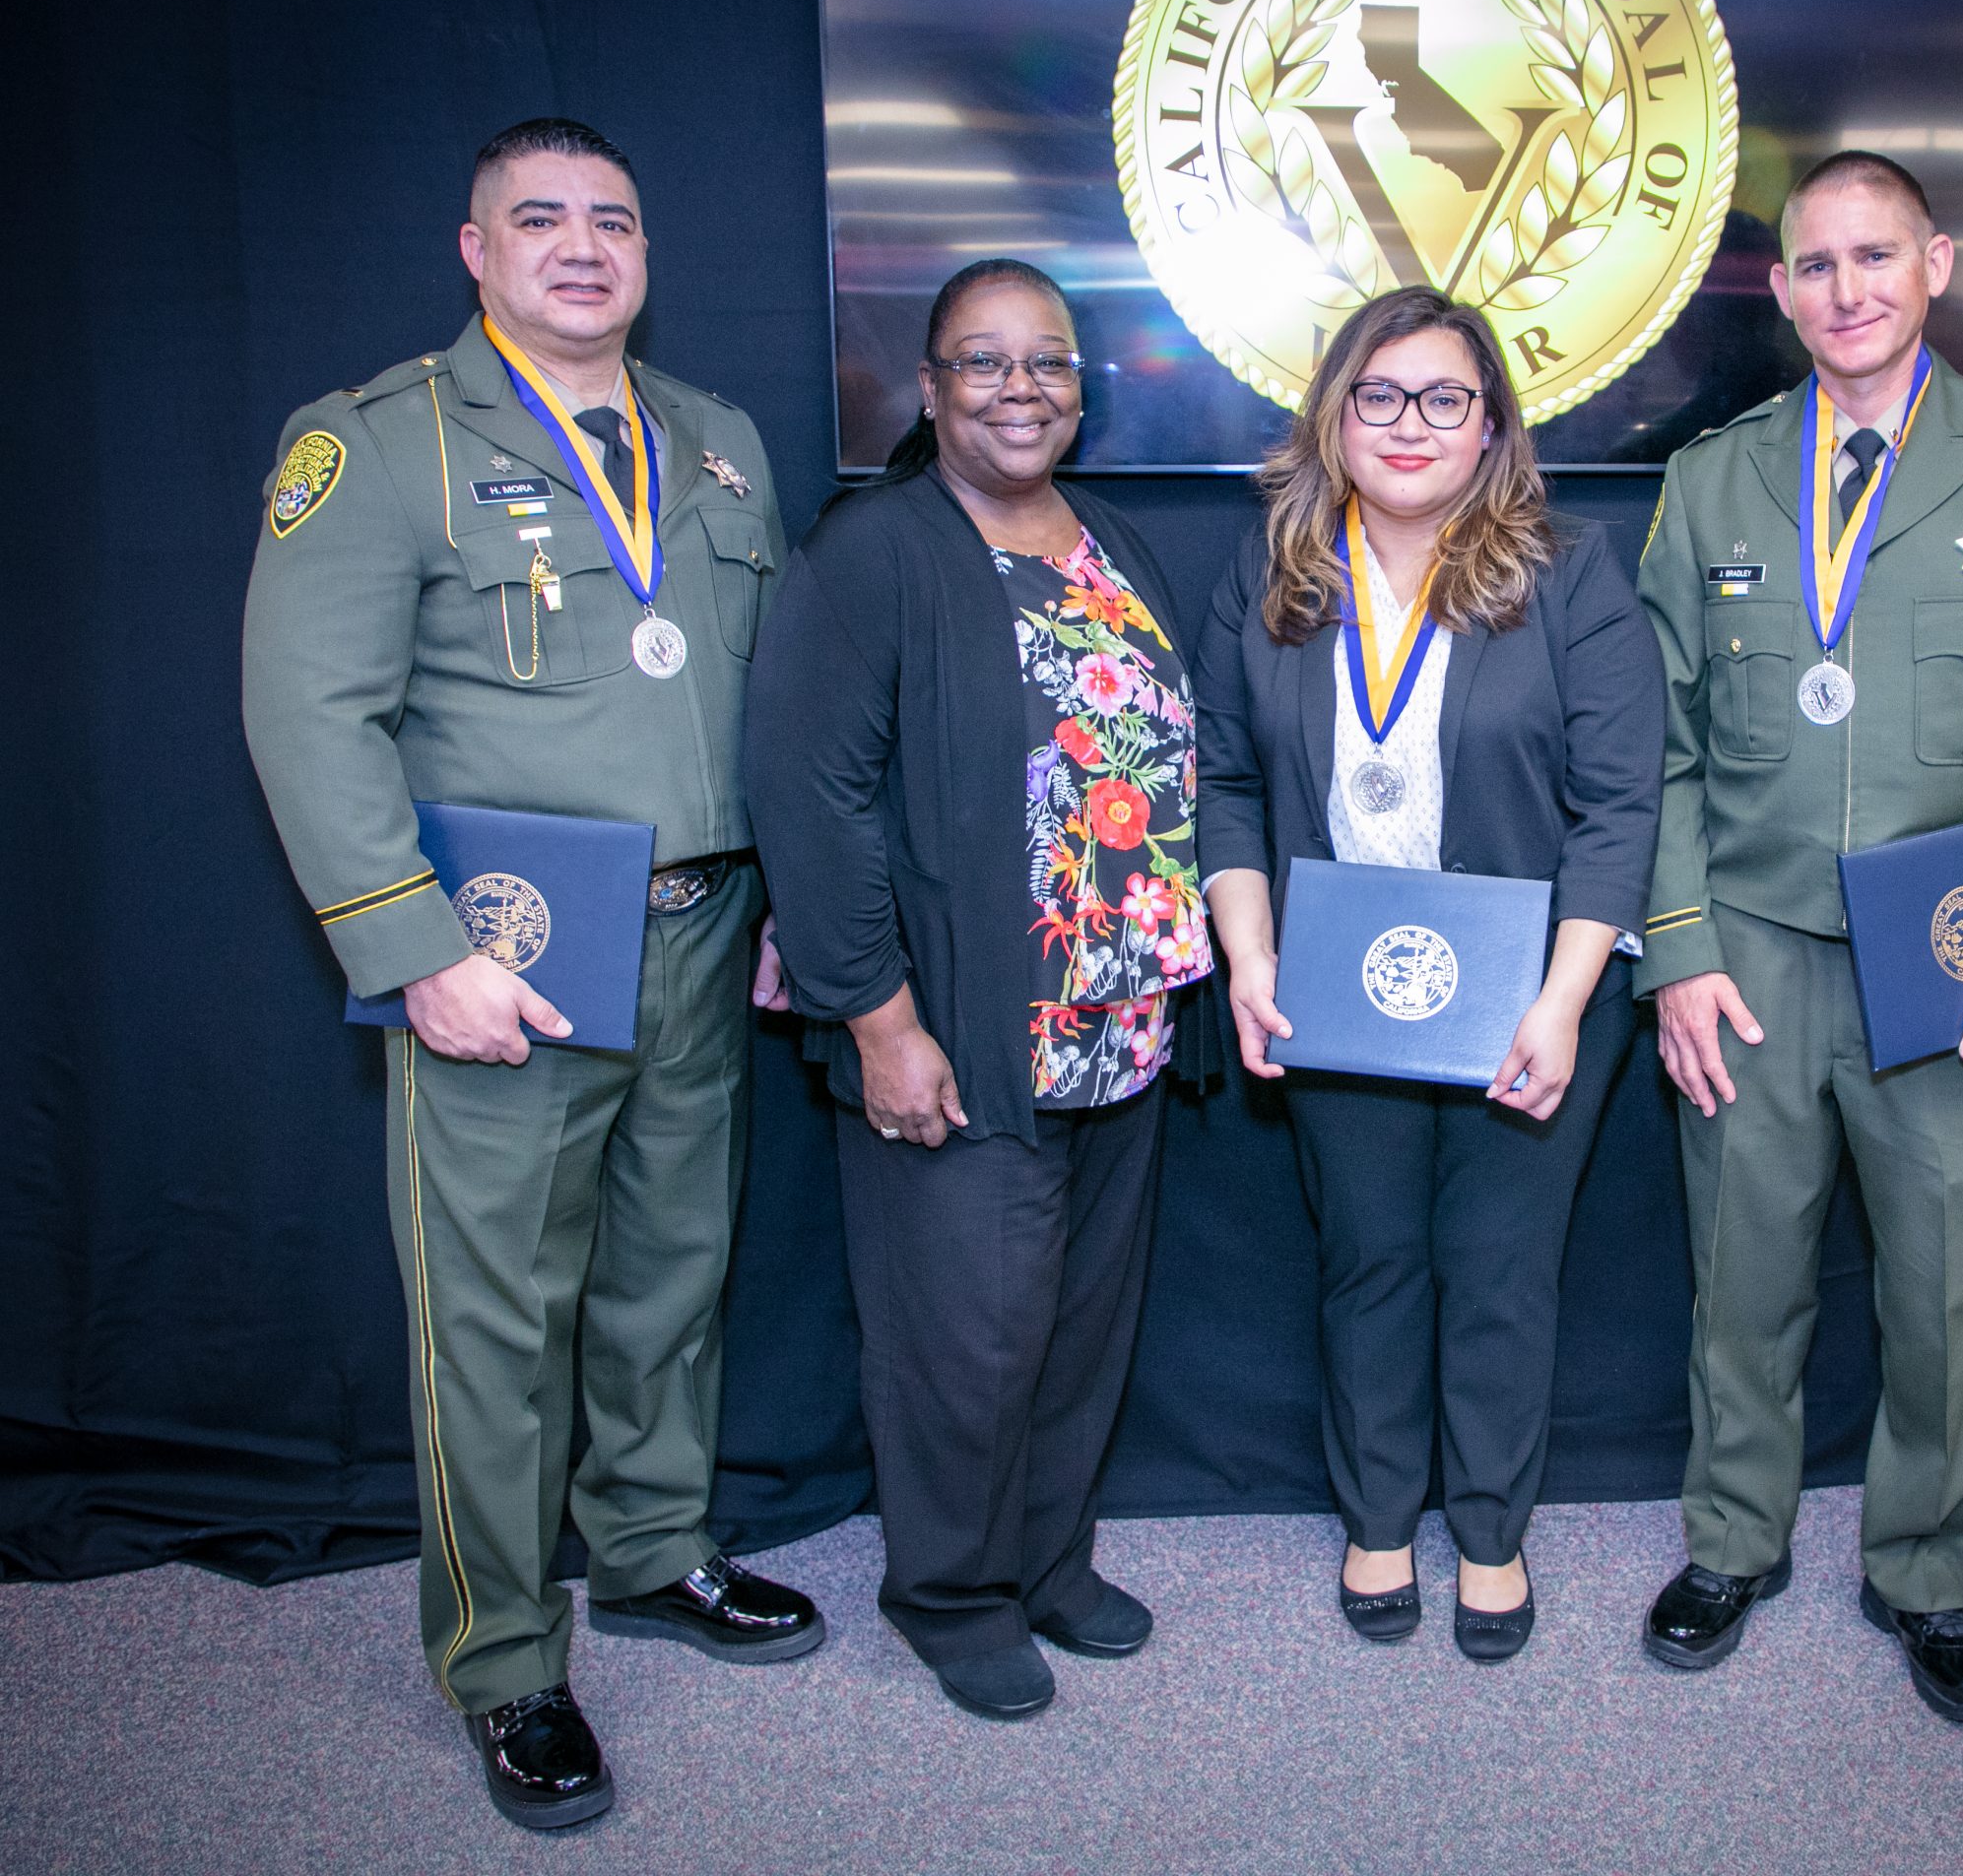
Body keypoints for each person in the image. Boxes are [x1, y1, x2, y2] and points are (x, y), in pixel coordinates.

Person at [240, 118, 820, 1831]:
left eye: (616, 221)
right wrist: (414, 950)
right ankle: (503, 1660)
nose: (585, 247)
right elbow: (304, 713)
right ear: (474, 250)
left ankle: (650, 1551)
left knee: (672, 1276)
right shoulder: (382, 443)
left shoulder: (715, 449)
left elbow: (758, 701)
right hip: (510, 954)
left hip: (707, 931)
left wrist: (790, 900)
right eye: (542, 219)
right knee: (494, 1319)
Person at [1631, 152, 1963, 1723]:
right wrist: (1676, 949)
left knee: (1943, 1293)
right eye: (1815, 265)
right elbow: (1649, 749)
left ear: (1936, 263)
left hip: (1954, 961)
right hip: (1754, 959)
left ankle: (1930, 1574)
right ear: (1780, 289)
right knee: (1743, 1277)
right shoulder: (1709, 479)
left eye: (1877, 256)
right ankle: (1733, 1539)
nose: (1848, 290)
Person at [745, 260, 1209, 1722]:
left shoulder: (1114, 540)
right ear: (931, 388)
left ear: (1082, 386)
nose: (1021, 390)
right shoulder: (873, 552)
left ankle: (1048, 1560)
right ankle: (950, 1591)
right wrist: (877, 1020)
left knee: (1076, 1326)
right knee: (966, 1335)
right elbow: (809, 802)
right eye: (983, 363)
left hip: (1121, 1020)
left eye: (1047, 363)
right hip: (956, 1026)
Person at [1198, 286, 1663, 1661]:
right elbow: (1222, 778)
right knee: (1371, 1263)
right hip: (1335, 989)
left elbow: (1621, 807)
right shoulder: (1272, 572)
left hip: (1528, 989)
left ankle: (1494, 1530)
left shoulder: (1569, 570)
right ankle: (1378, 1513)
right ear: (1335, 416)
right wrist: (1248, 958)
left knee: (1504, 1269)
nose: (1411, 424)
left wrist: (1567, 1001)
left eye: (1445, 398)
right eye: (1380, 396)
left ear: (1491, 429)